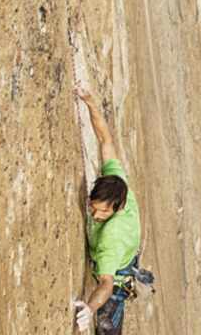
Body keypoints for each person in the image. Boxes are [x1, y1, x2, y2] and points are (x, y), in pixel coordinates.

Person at [71, 86, 142, 334]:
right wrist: (90, 103)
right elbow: (105, 140)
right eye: (93, 208)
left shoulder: (111, 237)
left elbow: (106, 284)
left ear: (117, 207)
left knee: (107, 327)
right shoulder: (117, 184)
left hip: (117, 274)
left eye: (101, 213)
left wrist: (90, 309)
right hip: (126, 253)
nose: (95, 215)